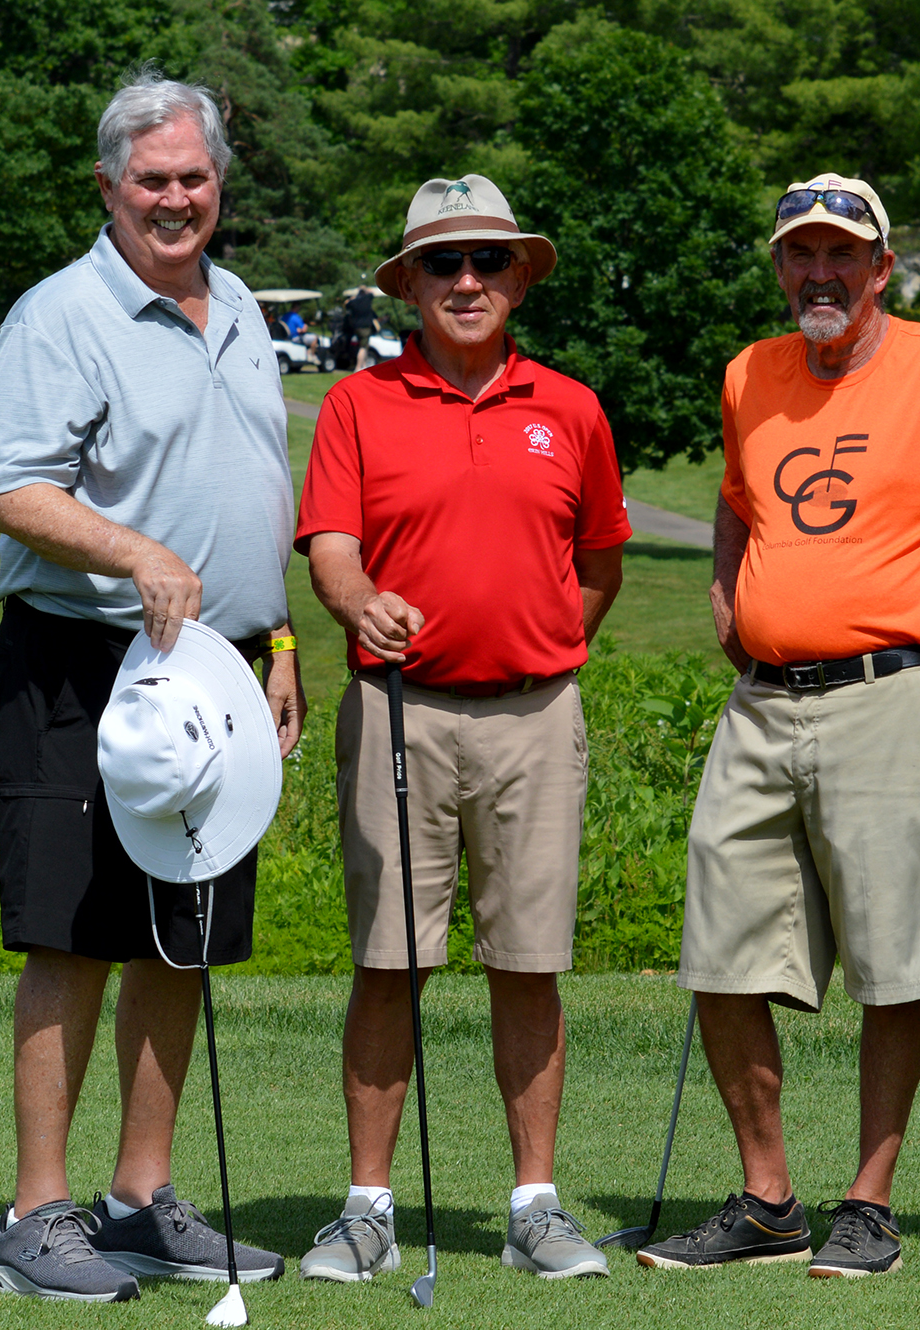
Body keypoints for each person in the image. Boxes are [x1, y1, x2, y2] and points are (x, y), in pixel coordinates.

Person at [637, 173, 920, 1278]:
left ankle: (868, 1202)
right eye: (799, 254)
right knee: (719, 951)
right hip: (763, 703)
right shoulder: (750, 373)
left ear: (881, 268)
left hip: (892, 694)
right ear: (780, 266)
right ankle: (767, 1198)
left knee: (891, 962)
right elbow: (740, 503)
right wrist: (726, 596)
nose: (817, 273)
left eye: (841, 254)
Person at [0, 70, 302, 1302]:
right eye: (152, 178)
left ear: (220, 184)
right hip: (82, 658)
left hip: (213, 672)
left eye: (195, 177)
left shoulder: (237, 312)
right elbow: (18, 489)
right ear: (108, 185)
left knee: (183, 934)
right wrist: (137, 551)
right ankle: (36, 1213)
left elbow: (253, 495)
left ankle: (137, 1197)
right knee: (72, 934)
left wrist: (275, 644)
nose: (176, 198)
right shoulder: (58, 315)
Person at [296, 174, 630, 1283]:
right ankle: (366, 1207)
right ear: (408, 285)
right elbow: (333, 547)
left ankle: (534, 1204)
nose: (468, 280)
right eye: (443, 263)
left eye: (488, 259)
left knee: (527, 965)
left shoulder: (569, 406)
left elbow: (597, 567)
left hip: (534, 718)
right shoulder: (358, 404)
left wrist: (536, 642)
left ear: (519, 275)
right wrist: (355, 604)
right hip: (401, 711)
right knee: (389, 960)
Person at [345, 286, 381, 369]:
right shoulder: (367, 299)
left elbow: (346, 303)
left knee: (363, 346)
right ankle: (358, 367)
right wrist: (364, 288)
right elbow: (372, 292)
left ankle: (364, 365)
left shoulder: (353, 302)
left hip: (356, 327)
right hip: (365, 327)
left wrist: (352, 298)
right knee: (363, 347)